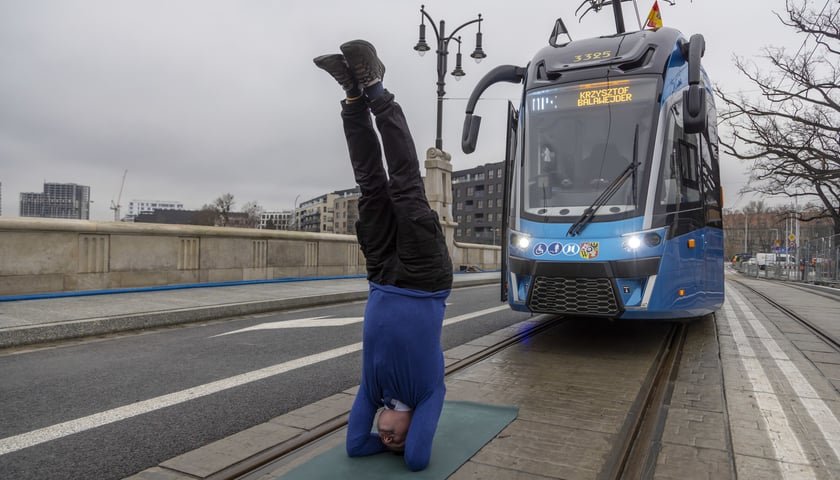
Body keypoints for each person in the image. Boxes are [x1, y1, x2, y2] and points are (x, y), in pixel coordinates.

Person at [313, 39, 453, 472]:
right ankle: (376, 89)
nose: (388, 436)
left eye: (386, 439)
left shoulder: (371, 393)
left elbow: (356, 445)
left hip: (381, 276)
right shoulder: (429, 394)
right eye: (397, 437)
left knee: (370, 187)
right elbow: (416, 459)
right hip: (425, 280)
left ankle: (352, 98)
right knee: (406, 184)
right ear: (417, 424)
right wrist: (402, 449)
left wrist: (377, 441)